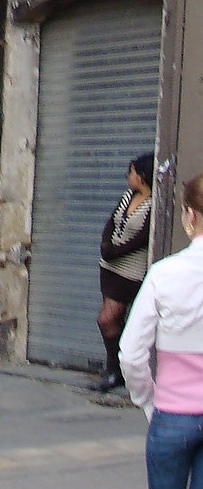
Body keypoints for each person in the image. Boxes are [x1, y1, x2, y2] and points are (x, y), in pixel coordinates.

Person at [120, 171, 203, 489]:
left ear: (191, 216)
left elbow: (131, 353)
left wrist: (147, 400)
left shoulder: (164, 274)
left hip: (172, 416)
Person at [93, 152, 153, 392]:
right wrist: (106, 244)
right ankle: (118, 370)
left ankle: (117, 368)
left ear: (142, 176)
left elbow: (143, 239)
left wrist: (116, 252)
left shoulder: (152, 205)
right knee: (115, 320)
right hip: (109, 268)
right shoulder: (128, 196)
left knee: (106, 319)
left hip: (129, 271)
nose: (128, 177)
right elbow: (111, 222)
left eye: (131, 172)